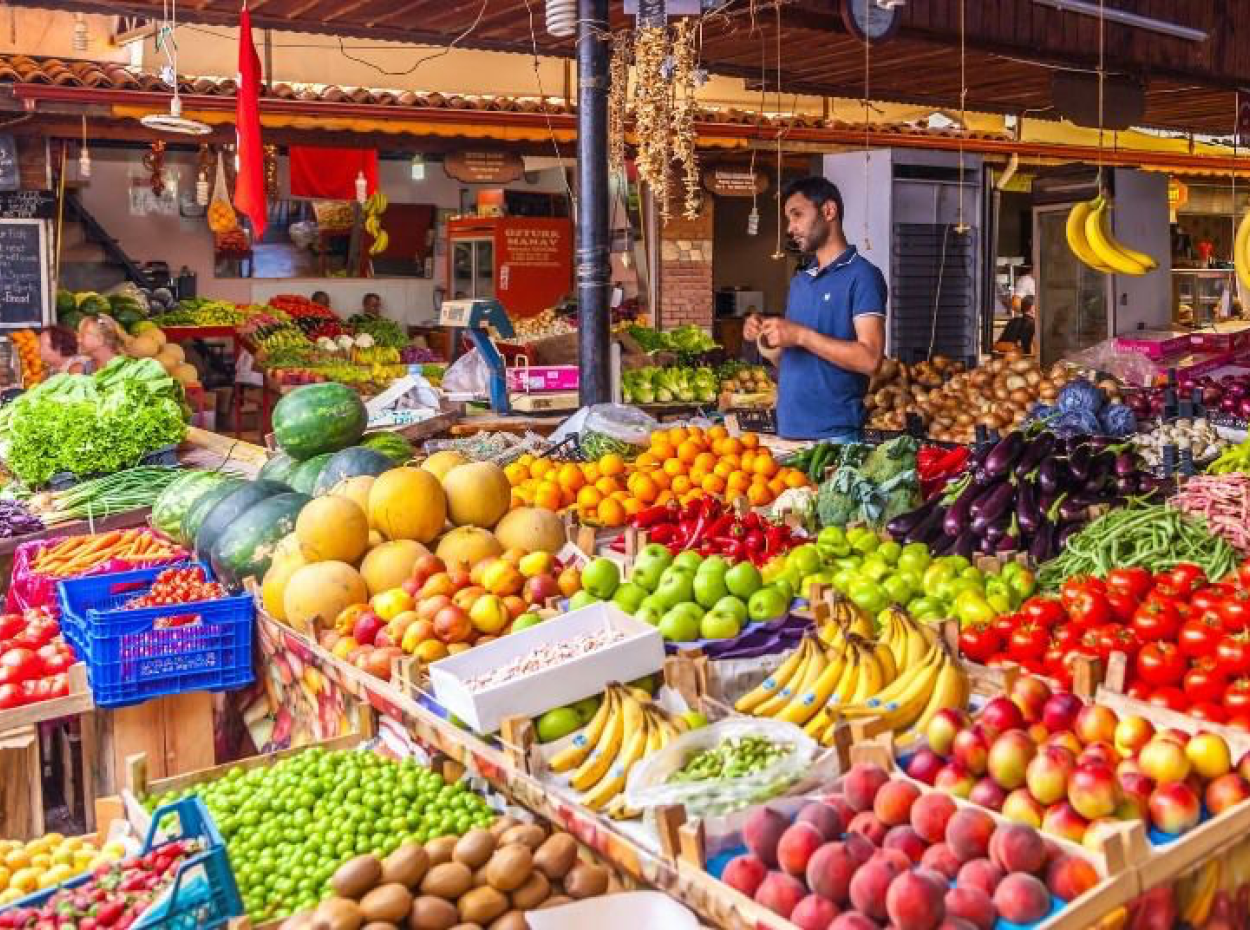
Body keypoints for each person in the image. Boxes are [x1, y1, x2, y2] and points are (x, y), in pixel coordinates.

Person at [744, 176, 886, 442]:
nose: (791, 227)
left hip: (835, 437)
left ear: (829, 211)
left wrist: (801, 335)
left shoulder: (863, 276)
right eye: (789, 218)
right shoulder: (800, 281)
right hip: (787, 430)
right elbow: (786, 359)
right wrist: (765, 336)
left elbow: (870, 360)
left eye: (797, 215)